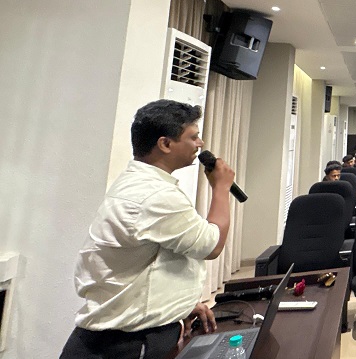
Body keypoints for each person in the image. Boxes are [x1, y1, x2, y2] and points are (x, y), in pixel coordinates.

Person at [61, 100, 234, 359]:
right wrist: (221, 188)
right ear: (165, 144)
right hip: (124, 345)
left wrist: (179, 306)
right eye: (193, 136)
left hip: (117, 338)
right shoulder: (155, 195)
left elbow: (146, 265)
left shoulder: (138, 182)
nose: (200, 143)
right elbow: (212, 245)